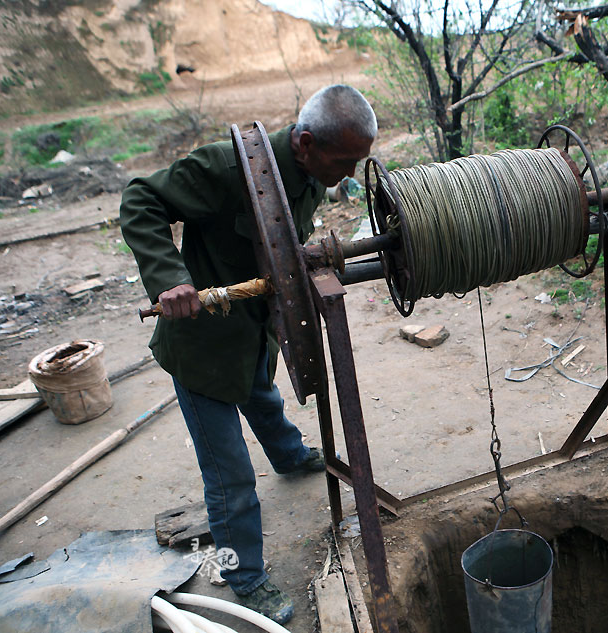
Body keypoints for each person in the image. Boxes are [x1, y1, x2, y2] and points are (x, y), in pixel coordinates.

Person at [120, 85, 377, 624]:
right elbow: (141, 198)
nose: (350, 173)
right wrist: (170, 279)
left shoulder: (308, 173)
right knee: (230, 477)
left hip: (253, 332)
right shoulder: (228, 166)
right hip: (204, 351)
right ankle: (245, 577)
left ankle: (286, 455)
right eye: (345, 161)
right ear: (305, 142)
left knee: (262, 394)